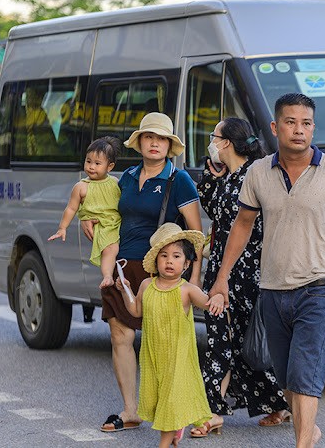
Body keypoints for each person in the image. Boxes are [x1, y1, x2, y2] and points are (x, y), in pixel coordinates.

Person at [209, 93, 325, 448]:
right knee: (287, 377)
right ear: (276, 127)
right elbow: (242, 225)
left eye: (306, 123)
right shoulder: (259, 172)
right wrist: (222, 278)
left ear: (313, 128)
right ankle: (309, 428)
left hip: (319, 286)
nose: (299, 130)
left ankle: (303, 442)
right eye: (291, 122)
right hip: (273, 288)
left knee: (305, 372)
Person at [84, 113, 203, 433]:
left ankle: (172, 409)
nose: (154, 143)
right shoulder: (124, 178)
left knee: (162, 342)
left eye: (161, 138)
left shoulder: (179, 181)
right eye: (149, 137)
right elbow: (108, 216)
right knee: (119, 336)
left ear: (169, 145)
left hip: (160, 272)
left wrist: (193, 280)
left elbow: (196, 234)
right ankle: (130, 410)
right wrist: (90, 222)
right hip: (122, 267)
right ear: (139, 142)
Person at [192, 118, 290, 437]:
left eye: (214, 137)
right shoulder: (231, 176)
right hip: (223, 269)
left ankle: (212, 411)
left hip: (242, 273)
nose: (211, 142)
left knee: (222, 338)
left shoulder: (254, 176)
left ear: (226, 143)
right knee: (237, 341)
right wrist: (211, 174)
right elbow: (212, 206)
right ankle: (277, 403)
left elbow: (254, 227)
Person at [115, 223, 224, 447]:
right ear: (156, 261)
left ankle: (164, 443)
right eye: (163, 256)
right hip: (154, 356)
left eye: (176, 256)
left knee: (171, 399)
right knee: (160, 398)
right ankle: (175, 430)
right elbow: (135, 310)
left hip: (178, 358)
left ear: (186, 264)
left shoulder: (186, 290)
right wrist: (125, 291)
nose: (169, 261)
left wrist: (218, 298)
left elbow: (207, 302)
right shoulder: (147, 285)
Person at [48, 136, 122, 289]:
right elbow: (71, 208)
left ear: (110, 166)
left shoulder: (115, 182)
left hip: (116, 222)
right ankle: (107, 276)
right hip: (101, 226)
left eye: (97, 163)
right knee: (109, 249)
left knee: (115, 249)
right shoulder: (81, 186)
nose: (91, 167)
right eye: (88, 161)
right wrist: (62, 228)